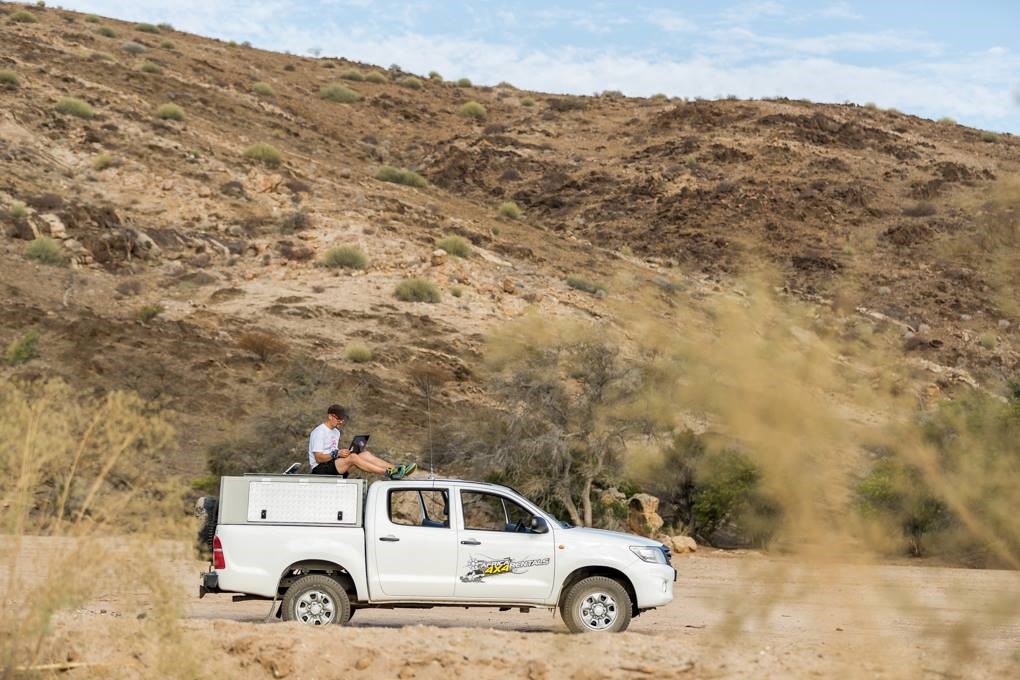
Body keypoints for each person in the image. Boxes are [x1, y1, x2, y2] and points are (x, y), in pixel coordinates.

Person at [308, 404, 416, 479]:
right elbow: (318, 458)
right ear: (330, 416)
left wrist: (345, 453)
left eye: (342, 419)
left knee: (365, 454)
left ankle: (397, 469)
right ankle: (388, 473)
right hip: (320, 470)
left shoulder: (336, 432)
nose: (341, 421)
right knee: (354, 458)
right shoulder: (319, 431)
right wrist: (337, 453)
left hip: (333, 466)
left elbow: (334, 454)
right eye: (338, 419)